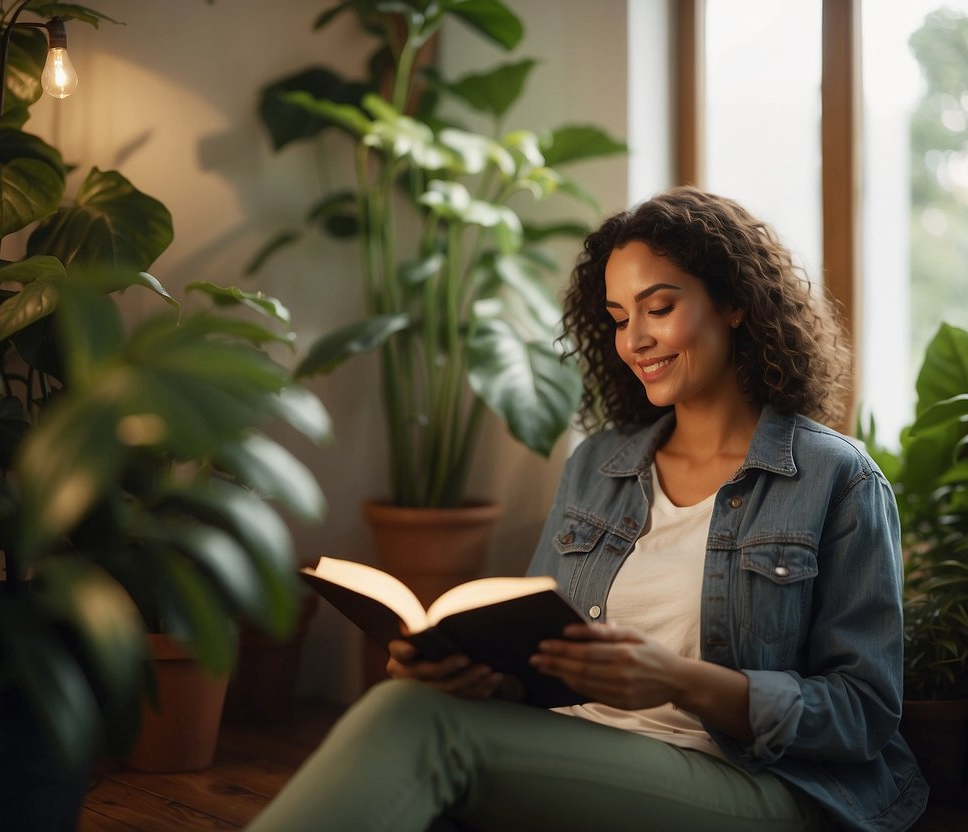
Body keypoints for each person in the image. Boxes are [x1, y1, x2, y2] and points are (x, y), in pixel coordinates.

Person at [247, 187, 929, 832]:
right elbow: (541, 662)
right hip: (582, 754)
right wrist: (458, 670)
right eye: (617, 318)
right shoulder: (598, 465)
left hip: (753, 782)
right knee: (412, 702)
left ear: (734, 303)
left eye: (659, 307)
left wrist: (678, 681)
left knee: (424, 732)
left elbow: (862, 714)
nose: (633, 340)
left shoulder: (835, 478)